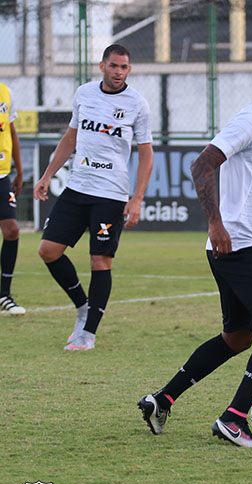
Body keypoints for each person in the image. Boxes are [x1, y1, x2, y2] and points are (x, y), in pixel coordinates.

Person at [138, 53, 252, 448]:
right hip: (241, 247)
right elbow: (202, 164)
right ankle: (234, 418)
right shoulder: (251, 122)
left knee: (237, 338)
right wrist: (215, 223)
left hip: (239, 245)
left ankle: (162, 400)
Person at [33, 44, 153, 350]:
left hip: (110, 195)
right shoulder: (84, 93)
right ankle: (83, 306)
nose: (118, 72)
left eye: (124, 67)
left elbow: (146, 153)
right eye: (113, 66)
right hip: (77, 188)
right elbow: (71, 138)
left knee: (99, 260)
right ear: (102, 66)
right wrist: (47, 175)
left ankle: (88, 333)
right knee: (48, 250)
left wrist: (137, 197)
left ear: (129, 70)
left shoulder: (137, 104)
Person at [0, 81, 25, 315]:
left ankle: (4, 294)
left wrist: (20, 169)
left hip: (2, 176)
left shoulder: (5, 91)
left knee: (12, 230)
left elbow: (11, 131)